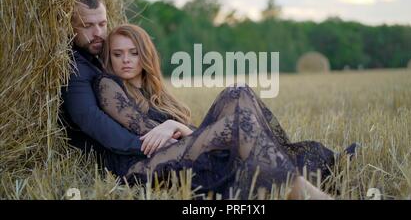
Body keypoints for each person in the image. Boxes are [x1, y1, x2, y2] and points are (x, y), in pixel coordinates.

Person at [93, 23, 358, 200]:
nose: (126, 60)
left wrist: (177, 125)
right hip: (142, 167)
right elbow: (147, 134)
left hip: (176, 152)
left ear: (145, 55)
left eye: (133, 53)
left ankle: (291, 170)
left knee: (238, 92)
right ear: (110, 57)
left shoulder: (154, 92)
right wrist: (173, 126)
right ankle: (300, 187)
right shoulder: (108, 85)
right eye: (117, 54)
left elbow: (178, 134)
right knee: (236, 126)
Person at [60, 0, 155, 176]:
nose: (98, 33)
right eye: (87, 26)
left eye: (102, 24)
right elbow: (90, 118)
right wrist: (144, 145)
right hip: (113, 159)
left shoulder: (101, 58)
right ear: (69, 26)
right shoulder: (74, 67)